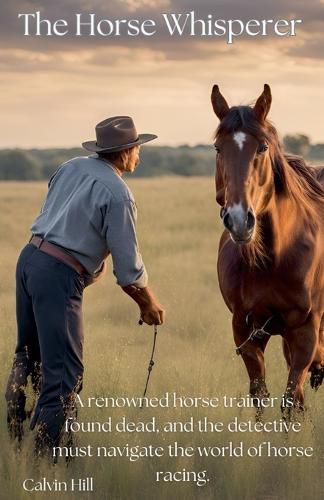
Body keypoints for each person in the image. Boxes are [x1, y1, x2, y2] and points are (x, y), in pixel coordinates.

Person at [5, 116, 165, 458]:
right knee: (64, 374)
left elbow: (61, 215)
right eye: (137, 147)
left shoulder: (72, 166)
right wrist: (148, 305)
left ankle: (14, 440)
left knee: (29, 356)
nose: (139, 153)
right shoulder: (119, 194)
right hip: (57, 276)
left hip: (29, 259)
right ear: (124, 152)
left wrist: (88, 264)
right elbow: (129, 270)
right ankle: (47, 462)